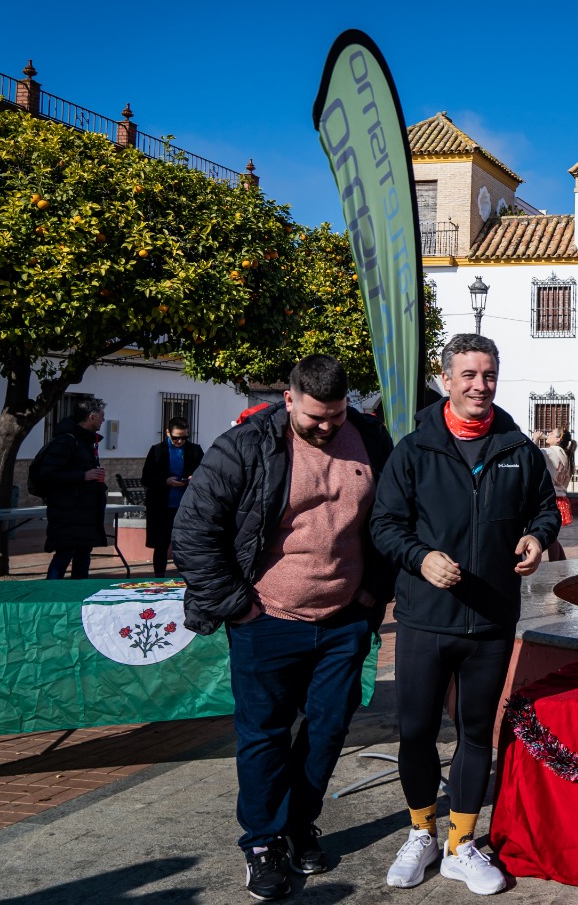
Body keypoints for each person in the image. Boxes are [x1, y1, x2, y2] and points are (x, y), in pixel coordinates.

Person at [171, 356, 395, 902]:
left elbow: (394, 519)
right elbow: (194, 531)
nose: (327, 427)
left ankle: (298, 825)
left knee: (328, 730)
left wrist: (374, 590)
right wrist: (236, 606)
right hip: (266, 619)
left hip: (345, 619)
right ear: (289, 398)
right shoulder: (244, 446)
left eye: (336, 416)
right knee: (264, 734)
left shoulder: (370, 438)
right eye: (316, 417)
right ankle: (262, 842)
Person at [371, 334, 559, 896]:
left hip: (491, 620)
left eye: (489, 375)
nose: (481, 386)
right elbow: (384, 525)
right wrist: (420, 557)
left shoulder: (518, 448)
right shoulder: (413, 450)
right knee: (416, 732)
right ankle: (420, 833)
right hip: (426, 619)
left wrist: (537, 537)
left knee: (476, 733)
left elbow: (545, 509)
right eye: (469, 375)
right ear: (447, 379)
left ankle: (460, 845)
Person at [36, 397, 108, 579]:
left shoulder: (86, 441)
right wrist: (84, 475)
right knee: (64, 555)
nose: (103, 420)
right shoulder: (67, 441)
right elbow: (48, 474)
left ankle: (79, 593)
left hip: (84, 513)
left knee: (83, 556)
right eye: (102, 416)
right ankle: (50, 594)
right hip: (68, 512)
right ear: (91, 417)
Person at [141, 418, 203, 577]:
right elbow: (146, 478)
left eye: (184, 437)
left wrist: (194, 478)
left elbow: (205, 473)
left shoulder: (195, 450)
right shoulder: (157, 450)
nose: (180, 441)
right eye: (176, 438)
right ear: (168, 433)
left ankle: (187, 577)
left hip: (186, 506)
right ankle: (159, 576)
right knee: (161, 545)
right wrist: (165, 481)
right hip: (162, 506)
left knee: (187, 545)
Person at [536, 430, 572, 561]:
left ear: (558, 439)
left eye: (552, 433)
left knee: (550, 535)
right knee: (553, 534)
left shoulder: (550, 452)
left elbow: (531, 453)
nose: (548, 433)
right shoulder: (565, 454)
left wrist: (535, 439)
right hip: (561, 497)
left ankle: (555, 563)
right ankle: (561, 561)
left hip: (550, 497)